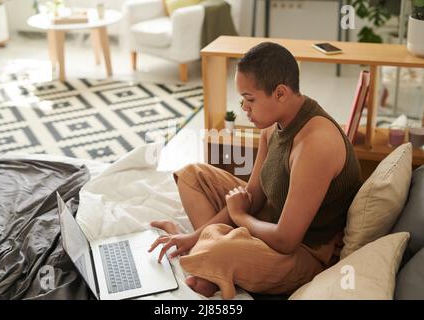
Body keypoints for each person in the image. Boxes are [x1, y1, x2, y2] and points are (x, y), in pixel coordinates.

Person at [148, 42, 362, 299]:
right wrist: (194, 236)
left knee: (222, 251)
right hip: (269, 220)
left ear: (280, 93)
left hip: (304, 252)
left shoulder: (315, 144)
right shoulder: (273, 125)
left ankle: (211, 260)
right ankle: (207, 252)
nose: (244, 108)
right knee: (191, 176)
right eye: (242, 99)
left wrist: (240, 218)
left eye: (250, 99)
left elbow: (286, 240)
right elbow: (252, 196)